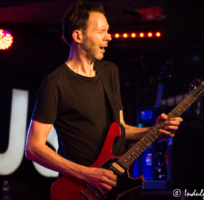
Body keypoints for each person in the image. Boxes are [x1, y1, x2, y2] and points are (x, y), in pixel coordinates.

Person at [25, 1, 182, 199]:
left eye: (107, 31)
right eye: (101, 31)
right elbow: (33, 148)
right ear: (78, 36)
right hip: (83, 190)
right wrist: (88, 174)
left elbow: (121, 129)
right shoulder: (55, 84)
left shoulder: (110, 72)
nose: (109, 37)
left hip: (120, 187)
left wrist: (153, 132)